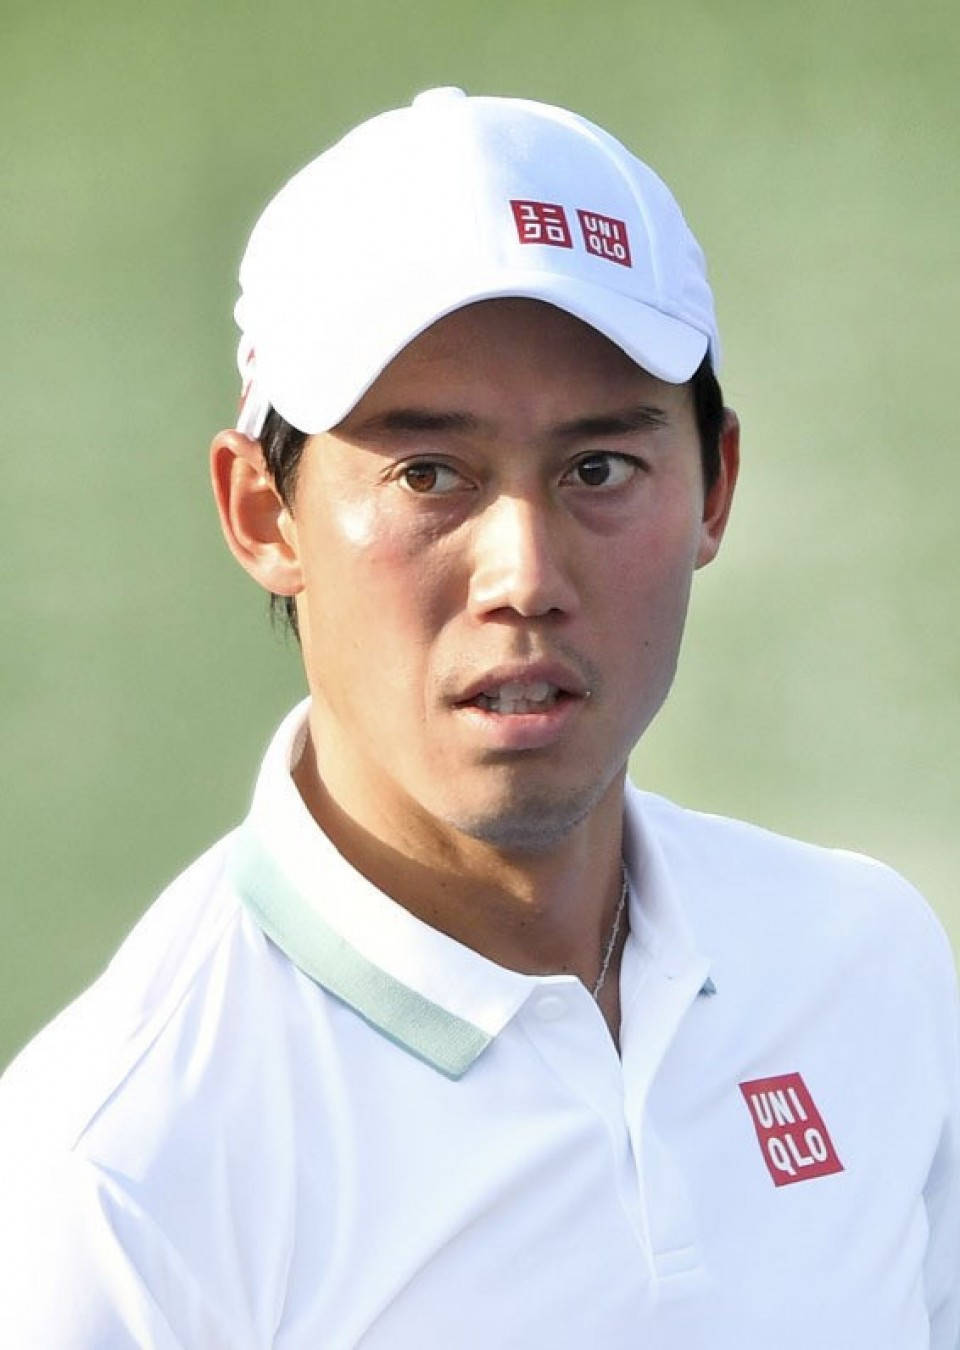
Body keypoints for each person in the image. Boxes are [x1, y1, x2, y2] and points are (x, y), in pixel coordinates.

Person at [0, 87, 957, 1349]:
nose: (524, 576)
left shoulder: (868, 968)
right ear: (261, 515)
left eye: (597, 469)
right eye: (428, 474)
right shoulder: (114, 1178)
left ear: (715, 486)